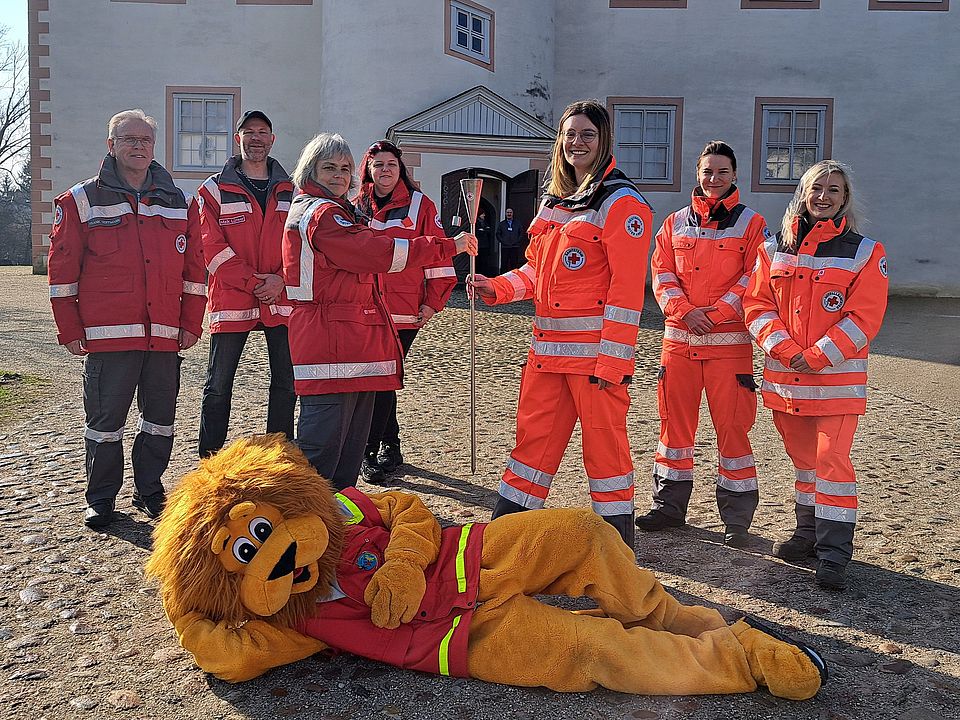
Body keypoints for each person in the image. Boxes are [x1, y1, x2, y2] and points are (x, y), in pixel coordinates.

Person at [471, 100, 653, 547]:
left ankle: (615, 553)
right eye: (570, 134)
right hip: (546, 357)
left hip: (595, 364)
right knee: (529, 453)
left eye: (587, 134)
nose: (577, 143)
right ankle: (504, 541)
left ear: (604, 140)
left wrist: (613, 365)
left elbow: (627, 295)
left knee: (606, 458)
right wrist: (498, 287)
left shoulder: (622, 203)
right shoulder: (554, 203)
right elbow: (537, 272)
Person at [282, 133, 476, 490]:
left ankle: (339, 522)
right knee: (322, 447)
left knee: (348, 447)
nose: (339, 175)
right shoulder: (321, 214)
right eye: (329, 168)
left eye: (344, 168)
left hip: (352, 333)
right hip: (331, 336)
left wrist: (432, 296)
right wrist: (449, 246)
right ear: (310, 170)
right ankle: (305, 523)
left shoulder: (339, 210)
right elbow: (375, 252)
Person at [47, 109, 206, 527]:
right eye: (128, 139)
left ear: (154, 146)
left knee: (160, 421)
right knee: (104, 424)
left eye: (145, 140)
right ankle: (100, 498)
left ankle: (150, 491)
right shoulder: (80, 200)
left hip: (164, 335)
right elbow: (62, 271)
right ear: (111, 145)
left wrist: (191, 323)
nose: (138, 146)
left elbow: (195, 270)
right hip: (108, 337)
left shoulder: (179, 201)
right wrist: (69, 328)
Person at [743, 160, 888, 591]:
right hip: (787, 381)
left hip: (836, 385)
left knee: (831, 463)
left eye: (834, 191)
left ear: (845, 199)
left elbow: (865, 316)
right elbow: (756, 306)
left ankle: (833, 553)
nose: (824, 197)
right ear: (803, 194)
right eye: (816, 188)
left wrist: (819, 355)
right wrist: (787, 350)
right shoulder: (773, 249)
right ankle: (807, 534)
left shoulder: (865, 252)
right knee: (804, 464)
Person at [637, 141, 769, 548]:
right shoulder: (674, 223)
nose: (714, 179)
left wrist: (714, 312)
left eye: (722, 172)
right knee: (674, 428)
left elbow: (755, 276)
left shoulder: (752, 224)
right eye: (707, 172)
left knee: (733, 431)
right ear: (698, 174)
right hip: (679, 343)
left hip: (728, 347)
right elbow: (661, 273)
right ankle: (669, 507)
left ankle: (736, 519)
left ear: (735, 176)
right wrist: (682, 309)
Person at [353, 139, 457, 482]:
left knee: (381, 379)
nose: (385, 170)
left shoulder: (420, 205)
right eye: (378, 164)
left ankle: (369, 450)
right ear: (368, 169)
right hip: (367, 308)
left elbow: (439, 255)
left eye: (391, 165)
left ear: (401, 171)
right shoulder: (355, 207)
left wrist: (432, 302)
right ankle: (390, 446)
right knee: (379, 380)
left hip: (403, 310)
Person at [196, 110, 296, 458]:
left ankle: (280, 452)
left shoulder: (292, 190)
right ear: (238, 139)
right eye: (249, 132)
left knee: (286, 381)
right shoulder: (212, 190)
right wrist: (256, 283)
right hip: (233, 297)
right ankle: (210, 456)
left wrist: (282, 280)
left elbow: (300, 243)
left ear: (272, 139)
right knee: (219, 383)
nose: (256, 138)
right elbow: (210, 246)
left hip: (280, 298)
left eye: (263, 132)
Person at [496, 207, 524, 272]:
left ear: (513, 214)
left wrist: (517, 241)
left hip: (514, 246)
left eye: (510, 212)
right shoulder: (502, 224)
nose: (509, 214)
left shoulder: (517, 223)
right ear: (505, 214)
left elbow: (521, 233)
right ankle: (503, 277)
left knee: (514, 263)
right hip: (505, 247)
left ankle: (514, 277)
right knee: (504, 263)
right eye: (508, 212)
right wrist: (503, 241)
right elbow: (498, 234)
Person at [475, 209, 495, 275]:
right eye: (482, 214)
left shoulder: (485, 222)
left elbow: (489, 230)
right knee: (478, 260)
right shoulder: (476, 223)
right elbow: (476, 232)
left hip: (485, 245)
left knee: (484, 260)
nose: (484, 215)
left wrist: (483, 230)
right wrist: (484, 230)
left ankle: (484, 273)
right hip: (478, 245)